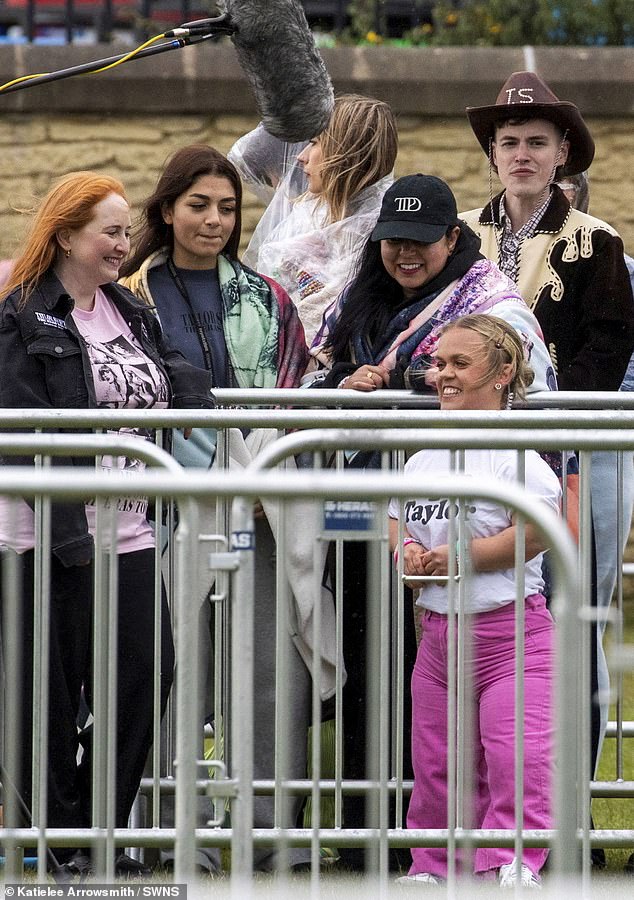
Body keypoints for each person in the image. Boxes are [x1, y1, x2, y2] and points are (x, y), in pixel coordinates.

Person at [311, 173, 554, 870]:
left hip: (496, 600)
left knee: (505, 746)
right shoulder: (360, 301)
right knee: (410, 721)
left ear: (454, 238)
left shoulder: (494, 310)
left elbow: (540, 505)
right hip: (392, 549)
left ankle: (507, 861)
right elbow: (313, 377)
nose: (405, 254)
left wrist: (456, 560)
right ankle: (394, 851)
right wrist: (342, 385)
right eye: (393, 241)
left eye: (421, 241)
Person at [0, 171, 215, 876]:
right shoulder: (19, 316)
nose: (124, 245)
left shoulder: (131, 310)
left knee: (146, 677)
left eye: (127, 231)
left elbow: (171, 374)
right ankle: (58, 843)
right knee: (47, 698)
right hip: (43, 536)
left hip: (128, 531)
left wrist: (193, 399)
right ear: (65, 235)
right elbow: (33, 431)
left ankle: (95, 830)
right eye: (110, 232)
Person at [120, 144, 314, 873]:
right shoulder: (125, 295)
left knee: (268, 671)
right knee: (172, 668)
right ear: (167, 209)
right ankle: (178, 829)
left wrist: (274, 476)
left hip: (260, 506)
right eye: (198, 204)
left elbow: (296, 398)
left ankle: (269, 830)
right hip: (163, 512)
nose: (214, 219)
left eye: (228, 207)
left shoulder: (269, 298)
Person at [461, 70, 634, 798]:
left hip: (575, 452)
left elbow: (610, 344)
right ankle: (489, 804)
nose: (522, 153)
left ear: (564, 152)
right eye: (510, 142)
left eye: (538, 141)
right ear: (493, 153)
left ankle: (572, 805)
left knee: (574, 615)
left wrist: (543, 420)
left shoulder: (598, 242)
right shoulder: (462, 235)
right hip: (478, 454)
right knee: (476, 616)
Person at [389, 314, 561, 888]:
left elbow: (536, 530)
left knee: (516, 757)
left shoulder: (518, 455)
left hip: (512, 634)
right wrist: (409, 552)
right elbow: (396, 521)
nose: (443, 375)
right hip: (438, 637)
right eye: (439, 363)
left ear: (504, 372)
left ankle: (513, 859)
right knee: (435, 762)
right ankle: (433, 864)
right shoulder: (422, 458)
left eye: (460, 364)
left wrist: (461, 558)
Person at [228, 93, 398, 345]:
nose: (301, 156)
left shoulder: (380, 233)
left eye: (315, 142)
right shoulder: (308, 216)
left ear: (345, 151)